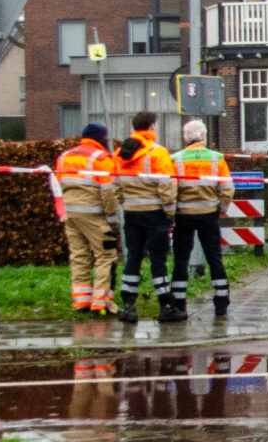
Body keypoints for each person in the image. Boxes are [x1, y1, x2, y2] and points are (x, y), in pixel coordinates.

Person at [114, 111, 179, 323]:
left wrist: (127, 203)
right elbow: (167, 186)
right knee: (158, 259)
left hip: (132, 213)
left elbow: (115, 186)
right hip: (155, 214)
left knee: (133, 257)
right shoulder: (158, 153)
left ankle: (129, 306)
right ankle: (166, 306)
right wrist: (170, 214)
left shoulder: (121, 153)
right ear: (151, 127)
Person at [53, 122, 119, 316]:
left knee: (79, 257)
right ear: (101, 138)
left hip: (70, 215)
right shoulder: (101, 159)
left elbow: (58, 187)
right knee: (106, 255)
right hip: (94, 215)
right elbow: (109, 194)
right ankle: (101, 303)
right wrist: (113, 220)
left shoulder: (64, 157)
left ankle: (81, 302)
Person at [170, 118, 234, 320]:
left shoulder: (176, 159)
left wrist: (171, 214)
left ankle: (179, 304)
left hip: (183, 216)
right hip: (209, 215)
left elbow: (170, 191)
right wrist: (221, 209)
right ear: (204, 137)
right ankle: (221, 302)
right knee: (214, 257)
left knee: (181, 259)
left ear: (185, 138)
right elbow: (227, 188)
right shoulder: (216, 159)